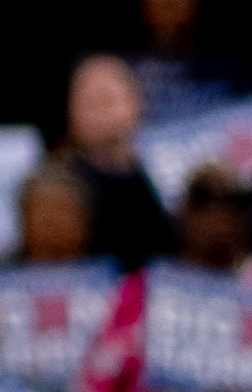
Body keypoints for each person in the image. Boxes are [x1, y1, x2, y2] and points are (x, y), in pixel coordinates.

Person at [53, 53, 181, 267]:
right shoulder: (55, 187)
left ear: (137, 105)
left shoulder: (170, 178)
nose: (100, 111)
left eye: (107, 99)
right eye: (89, 102)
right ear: (70, 113)